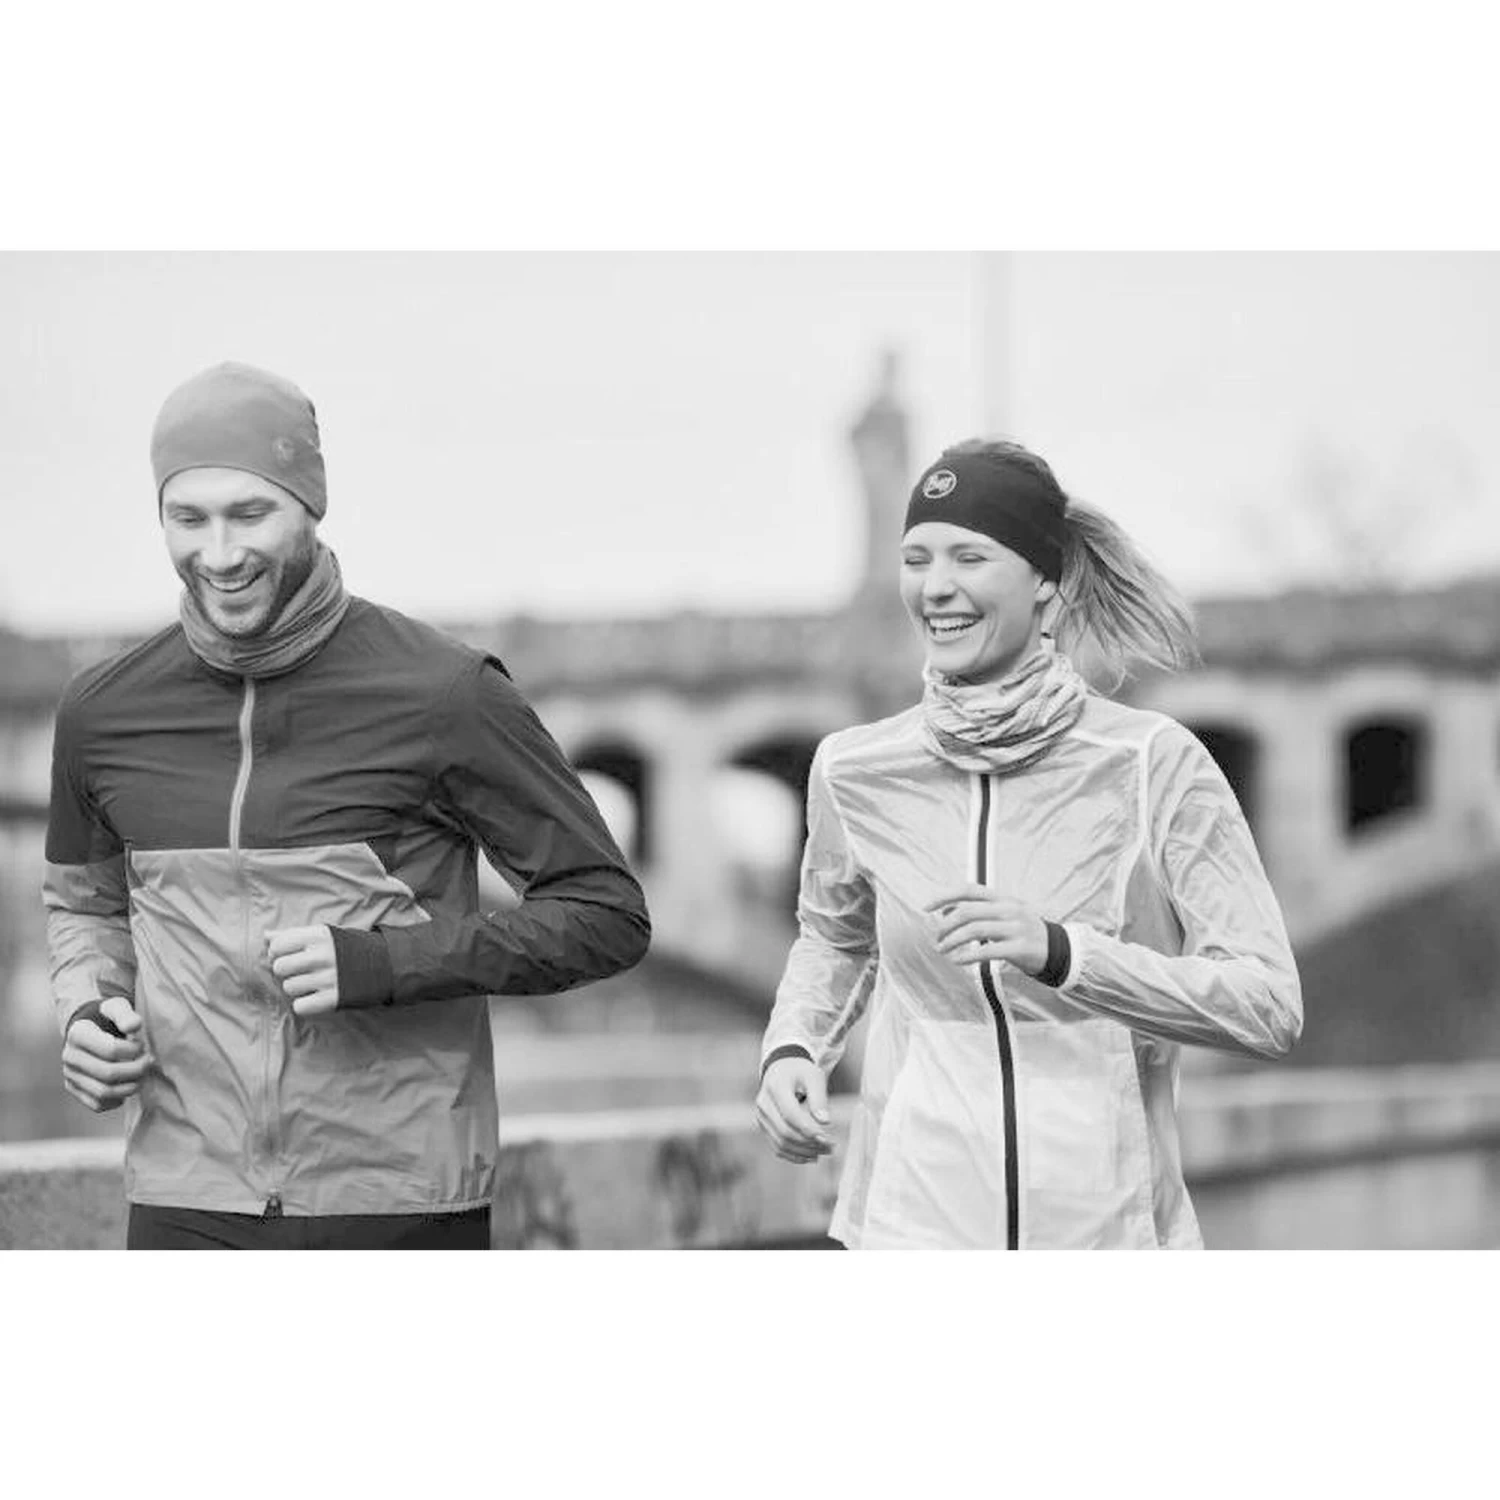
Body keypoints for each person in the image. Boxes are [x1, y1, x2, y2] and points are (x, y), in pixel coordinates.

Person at [45, 361, 651, 1250]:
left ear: (310, 505)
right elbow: (85, 907)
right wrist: (90, 1011)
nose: (220, 554)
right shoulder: (102, 713)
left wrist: (385, 963)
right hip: (184, 1198)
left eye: (251, 513)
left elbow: (606, 916)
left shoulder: (445, 693)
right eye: (189, 518)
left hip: (399, 1200)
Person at [754, 438, 1301, 1250]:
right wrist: (794, 1046)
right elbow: (834, 937)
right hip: (910, 1233)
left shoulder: (1151, 764)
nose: (935, 587)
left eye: (969, 557)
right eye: (916, 559)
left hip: (1109, 1239)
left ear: (1045, 579)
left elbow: (1267, 1004)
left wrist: (1066, 955)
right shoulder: (855, 769)